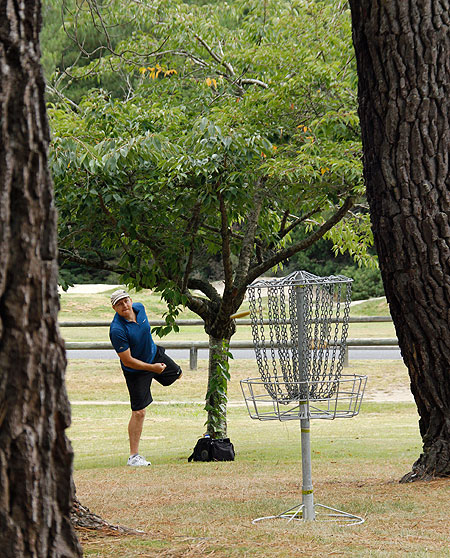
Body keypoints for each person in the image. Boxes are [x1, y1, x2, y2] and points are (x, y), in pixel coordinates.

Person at [109, 289, 183, 466]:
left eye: (126, 301)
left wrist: (156, 365)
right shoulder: (117, 330)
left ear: (131, 300)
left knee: (178, 374)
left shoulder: (140, 308)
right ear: (114, 308)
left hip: (154, 355)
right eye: (119, 304)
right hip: (135, 370)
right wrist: (153, 369)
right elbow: (128, 361)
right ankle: (134, 457)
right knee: (139, 412)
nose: (124, 305)